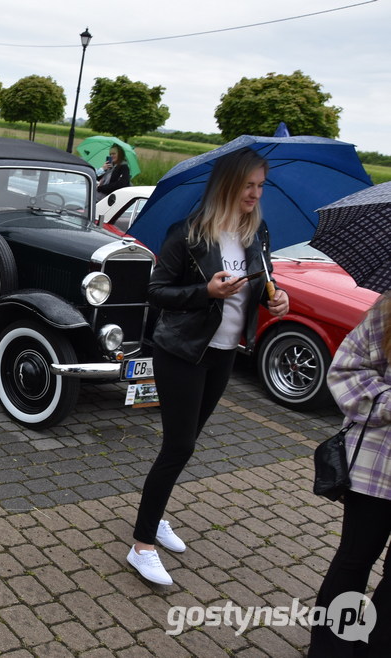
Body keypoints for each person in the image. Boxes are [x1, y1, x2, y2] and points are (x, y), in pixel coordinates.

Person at [126, 147, 290, 586]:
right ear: (227, 186)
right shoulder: (189, 234)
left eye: (260, 186)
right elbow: (157, 292)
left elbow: (263, 283)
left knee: (188, 442)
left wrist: (277, 298)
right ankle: (141, 545)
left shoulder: (259, 234)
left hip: (223, 352)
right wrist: (205, 292)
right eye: (247, 186)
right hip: (181, 350)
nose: (255, 194)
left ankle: (156, 517)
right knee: (178, 445)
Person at [308, 295, 391, 655]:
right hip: (379, 468)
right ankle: (330, 648)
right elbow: (346, 371)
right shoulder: (386, 315)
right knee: (355, 558)